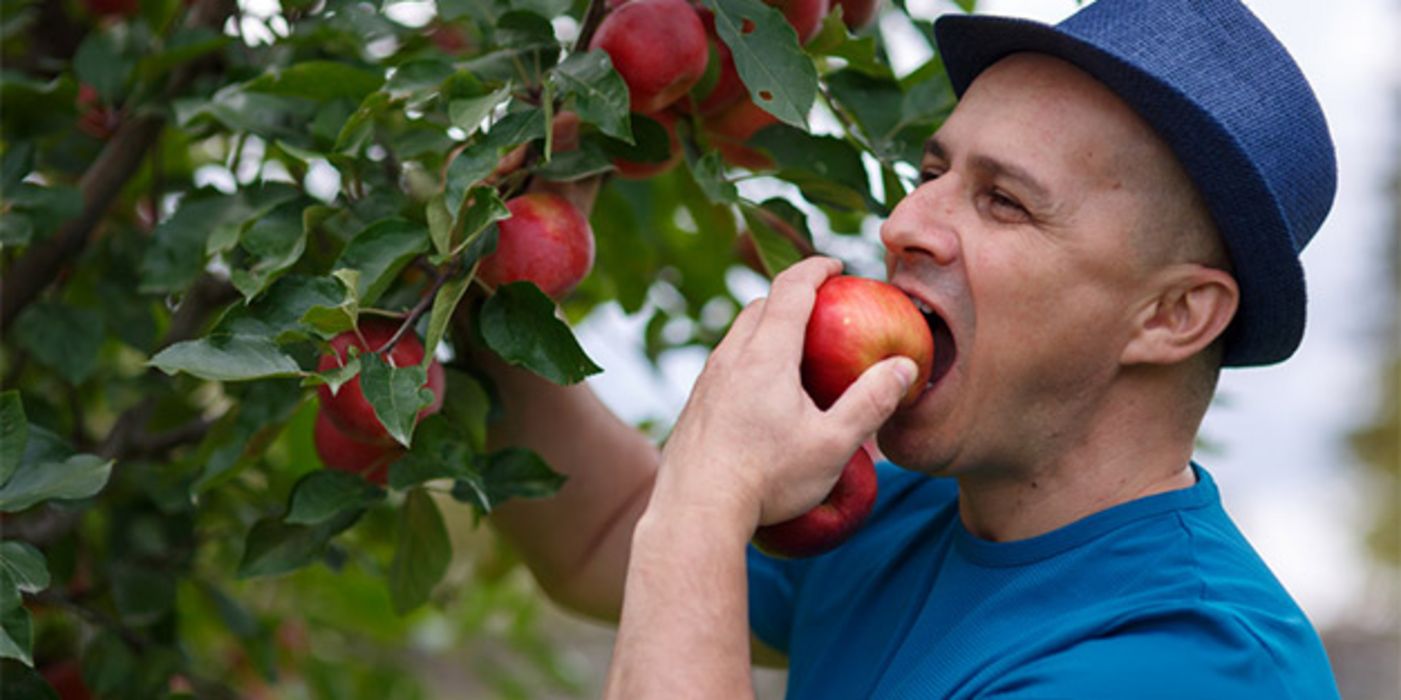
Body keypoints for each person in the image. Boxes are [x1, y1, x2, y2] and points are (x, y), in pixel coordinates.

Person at [478, 0, 1344, 697]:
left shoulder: (1185, 664)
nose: (902, 226)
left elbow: (670, 541)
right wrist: (492, 293)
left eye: (1004, 201)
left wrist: (708, 499)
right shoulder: (905, 519)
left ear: (1172, 315)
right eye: (933, 176)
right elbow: (602, 539)